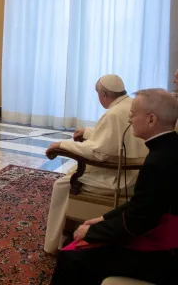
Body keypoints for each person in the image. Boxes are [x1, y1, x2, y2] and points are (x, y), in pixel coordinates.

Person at [50, 89, 178, 285]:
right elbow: (141, 204)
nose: (129, 120)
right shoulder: (168, 147)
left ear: (151, 119)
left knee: (72, 255)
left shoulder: (157, 162)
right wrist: (102, 218)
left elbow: (137, 221)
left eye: (133, 114)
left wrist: (93, 232)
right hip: (160, 233)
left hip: (162, 255)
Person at [44, 75, 149, 254]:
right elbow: (112, 138)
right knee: (70, 174)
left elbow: (97, 153)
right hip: (135, 172)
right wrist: (87, 132)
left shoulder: (113, 113)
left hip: (118, 177)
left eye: (98, 94)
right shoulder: (129, 105)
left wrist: (61, 145)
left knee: (62, 184)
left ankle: (55, 243)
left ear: (104, 93)